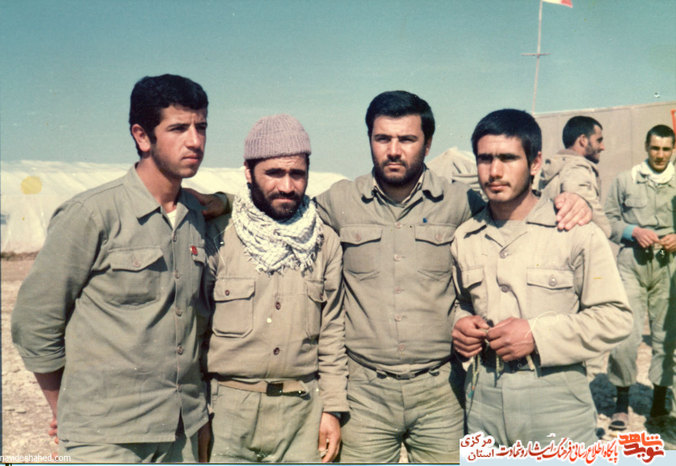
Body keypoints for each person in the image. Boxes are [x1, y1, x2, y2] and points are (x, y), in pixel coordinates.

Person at [314, 92, 592, 462]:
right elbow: (286, 214)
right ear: (369, 139)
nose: (393, 150)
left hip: (442, 393)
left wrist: (571, 200)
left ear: (428, 144)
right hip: (365, 395)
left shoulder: (462, 202)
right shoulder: (338, 202)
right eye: (382, 138)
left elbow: (515, 209)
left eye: (407, 139)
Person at [11, 74, 211, 462]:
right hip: (107, 439)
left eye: (201, 127)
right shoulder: (92, 214)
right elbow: (35, 321)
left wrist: (223, 201)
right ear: (142, 136)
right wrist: (63, 406)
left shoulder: (197, 216)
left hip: (182, 432)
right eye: (178, 128)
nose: (195, 141)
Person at [451, 109, 632, 447]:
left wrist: (537, 335)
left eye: (508, 158)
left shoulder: (574, 230)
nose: (495, 171)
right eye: (485, 159)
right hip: (483, 401)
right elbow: (461, 302)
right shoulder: (466, 237)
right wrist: (460, 324)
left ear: (535, 163)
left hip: (556, 400)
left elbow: (615, 317)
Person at [204, 114, 348, 462]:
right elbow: (192, 331)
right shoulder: (217, 237)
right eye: (274, 173)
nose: (286, 186)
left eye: (297, 174)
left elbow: (332, 333)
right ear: (248, 171)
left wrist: (332, 410)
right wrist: (199, 416)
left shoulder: (323, 241)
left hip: (302, 414)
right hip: (227, 413)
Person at [604, 124, 676, 432]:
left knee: (666, 337)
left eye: (666, 149)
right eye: (655, 148)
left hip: (666, 263)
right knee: (626, 335)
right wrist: (632, 231)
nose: (660, 154)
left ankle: (659, 402)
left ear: (673, 150)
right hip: (632, 261)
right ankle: (621, 401)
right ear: (646, 147)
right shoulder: (626, 179)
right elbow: (606, 219)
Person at [538, 116, 611, 237]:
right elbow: (594, 218)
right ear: (583, 140)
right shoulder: (577, 168)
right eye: (599, 140)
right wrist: (607, 233)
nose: (602, 147)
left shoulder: (554, 168)